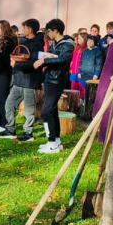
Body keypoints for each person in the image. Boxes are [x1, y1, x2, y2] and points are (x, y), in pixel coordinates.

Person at [0, 19, 44, 141]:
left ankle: (28, 133)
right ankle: (10, 129)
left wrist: (16, 65)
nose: (22, 30)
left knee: (29, 110)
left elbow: (34, 63)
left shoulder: (38, 44)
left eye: (24, 28)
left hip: (30, 81)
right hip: (19, 80)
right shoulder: (23, 42)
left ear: (30, 29)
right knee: (9, 104)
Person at [33, 19, 74, 154]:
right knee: (52, 110)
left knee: (46, 111)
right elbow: (52, 56)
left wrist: (44, 60)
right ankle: (56, 141)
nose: (47, 34)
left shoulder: (67, 44)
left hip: (57, 80)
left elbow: (63, 59)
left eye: (49, 31)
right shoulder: (55, 43)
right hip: (50, 78)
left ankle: (51, 142)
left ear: (55, 31)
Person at [69, 33, 87, 99]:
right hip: (74, 73)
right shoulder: (77, 48)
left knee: (82, 91)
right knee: (73, 91)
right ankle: (74, 105)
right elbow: (73, 60)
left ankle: (82, 106)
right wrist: (71, 69)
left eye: (79, 38)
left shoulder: (86, 49)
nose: (77, 40)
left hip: (82, 74)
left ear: (84, 39)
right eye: (77, 38)